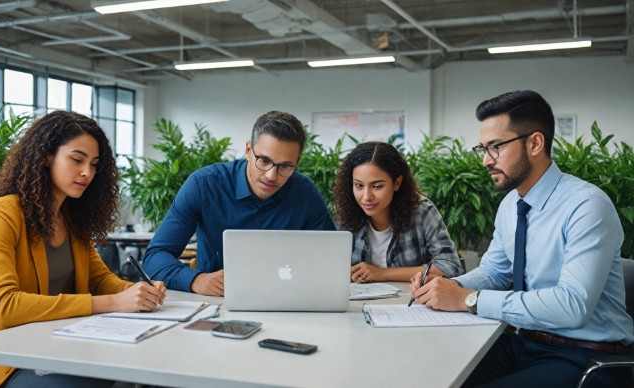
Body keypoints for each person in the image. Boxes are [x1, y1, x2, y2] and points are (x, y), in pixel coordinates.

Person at [410, 90, 633, 387]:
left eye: (496, 147)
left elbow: (572, 305)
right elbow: (495, 271)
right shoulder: (510, 205)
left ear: (535, 143)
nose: (486, 160)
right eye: (483, 149)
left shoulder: (587, 206)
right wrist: (450, 287)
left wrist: (469, 299)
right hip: (526, 343)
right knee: (429, 370)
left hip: (586, 358)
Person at [0, 111, 166, 388]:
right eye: (77, 160)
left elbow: (99, 280)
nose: (87, 172)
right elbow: (5, 306)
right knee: (93, 382)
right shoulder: (3, 214)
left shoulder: (72, 219)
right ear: (45, 156)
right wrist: (114, 303)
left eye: (94, 164)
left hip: (55, 347)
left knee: (137, 368)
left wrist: (134, 292)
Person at [142, 111, 335, 296]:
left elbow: (331, 257)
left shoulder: (305, 192)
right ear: (248, 150)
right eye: (264, 160)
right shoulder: (203, 185)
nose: (271, 175)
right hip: (217, 302)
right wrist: (196, 280)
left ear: (296, 162)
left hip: (288, 299)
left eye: (285, 166)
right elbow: (155, 256)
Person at [333, 141, 463, 283]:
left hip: (410, 302)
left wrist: (383, 274)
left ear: (397, 183)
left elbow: (451, 266)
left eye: (377, 186)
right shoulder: (346, 214)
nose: (366, 197)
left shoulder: (423, 212)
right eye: (358, 185)